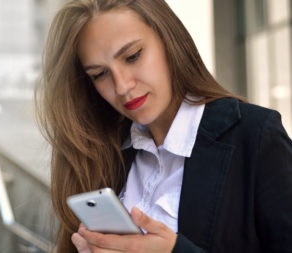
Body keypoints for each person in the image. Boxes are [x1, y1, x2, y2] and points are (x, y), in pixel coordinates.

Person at [36, 0, 292, 252]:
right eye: (99, 74)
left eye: (132, 56)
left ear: (169, 40)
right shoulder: (101, 156)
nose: (122, 86)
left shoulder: (255, 136)